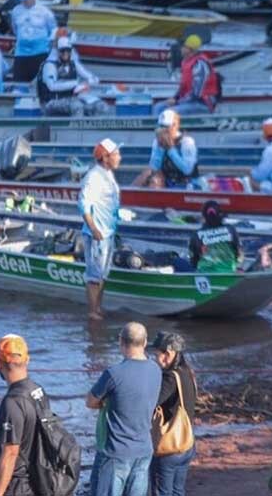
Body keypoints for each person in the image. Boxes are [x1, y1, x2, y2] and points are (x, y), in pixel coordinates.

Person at [86, 322, 162, 496]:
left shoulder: (114, 373)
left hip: (116, 451)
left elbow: (90, 401)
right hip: (143, 447)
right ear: (144, 342)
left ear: (121, 341)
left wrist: (103, 403)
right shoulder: (156, 370)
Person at [0, 334, 48, 496]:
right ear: (27, 360)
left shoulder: (13, 402)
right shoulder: (38, 391)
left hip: (17, 486)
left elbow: (10, 453)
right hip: (37, 480)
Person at [148, 332, 198, 496]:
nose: (155, 359)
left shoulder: (170, 377)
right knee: (178, 490)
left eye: (157, 355)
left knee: (162, 491)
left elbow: (151, 403)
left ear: (168, 354)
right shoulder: (187, 372)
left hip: (169, 446)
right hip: (187, 443)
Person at [79, 138, 122, 320]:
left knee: (103, 274)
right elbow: (83, 205)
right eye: (116, 154)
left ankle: (98, 308)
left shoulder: (108, 175)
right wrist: (93, 228)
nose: (119, 157)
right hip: (97, 233)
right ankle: (92, 311)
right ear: (105, 157)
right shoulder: (94, 177)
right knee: (94, 276)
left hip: (108, 232)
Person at [39, 36, 110, 116]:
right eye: (62, 50)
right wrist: (76, 83)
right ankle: (75, 128)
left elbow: (91, 77)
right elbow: (52, 87)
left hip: (73, 98)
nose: (65, 53)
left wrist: (90, 81)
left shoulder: (74, 64)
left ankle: (95, 126)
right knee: (77, 106)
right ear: (57, 51)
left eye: (68, 50)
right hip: (52, 101)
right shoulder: (49, 66)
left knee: (100, 106)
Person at [153, 35, 220, 116]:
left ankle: (166, 127)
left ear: (190, 49)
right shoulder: (185, 62)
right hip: (187, 101)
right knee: (158, 107)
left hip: (202, 103)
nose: (180, 48)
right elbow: (183, 87)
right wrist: (175, 98)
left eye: (183, 46)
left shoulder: (200, 64)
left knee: (169, 113)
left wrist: (177, 102)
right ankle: (157, 128)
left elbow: (196, 94)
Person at [132, 109, 198, 189]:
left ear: (175, 125)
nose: (163, 130)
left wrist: (170, 149)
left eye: (166, 127)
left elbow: (187, 170)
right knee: (145, 176)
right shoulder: (157, 141)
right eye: (161, 127)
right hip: (167, 181)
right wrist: (161, 149)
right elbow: (154, 167)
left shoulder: (186, 142)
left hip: (187, 183)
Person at [11, 0, 57, 83]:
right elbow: (15, 30)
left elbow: (53, 30)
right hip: (21, 55)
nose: (23, 1)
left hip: (40, 54)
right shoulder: (15, 11)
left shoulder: (45, 12)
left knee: (42, 84)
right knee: (18, 85)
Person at [188, 200, 242, 273]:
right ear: (219, 213)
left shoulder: (196, 235)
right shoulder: (230, 229)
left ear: (204, 215)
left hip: (205, 274)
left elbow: (193, 259)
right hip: (229, 272)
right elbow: (239, 252)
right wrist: (238, 266)